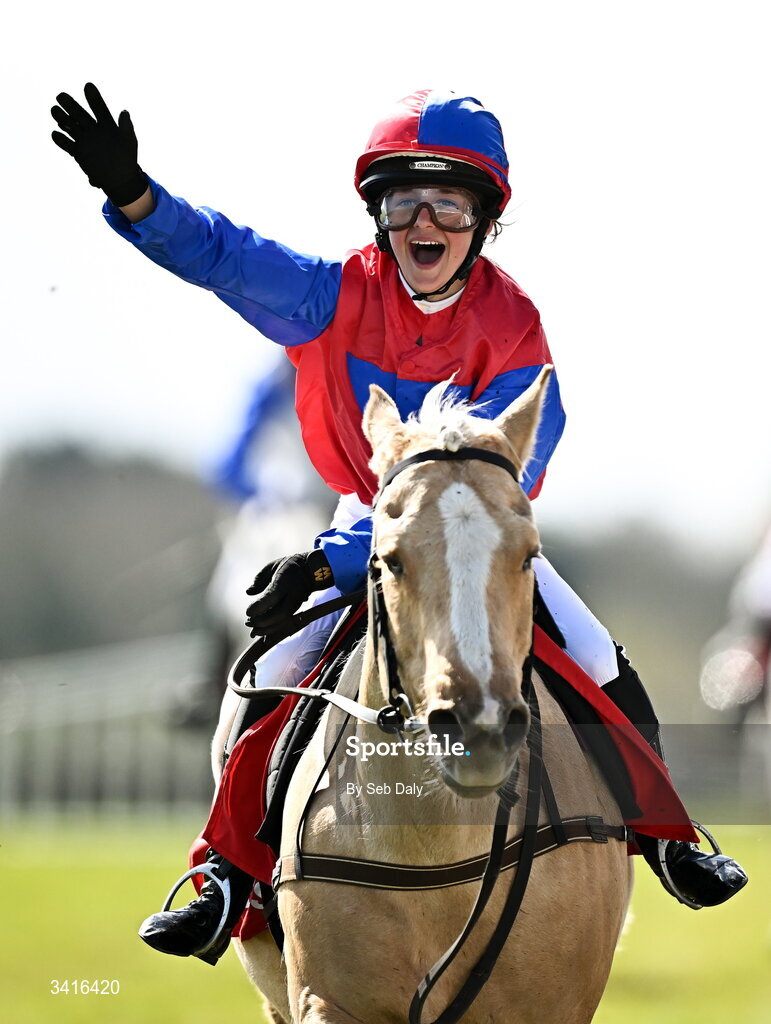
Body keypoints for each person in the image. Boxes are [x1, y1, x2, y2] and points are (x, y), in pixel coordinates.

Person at [51, 85, 747, 964]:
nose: (424, 220)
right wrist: (136, 197)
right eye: (402, 199)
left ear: (484, 219)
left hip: (480, 528)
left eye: (448, 201)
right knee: (269, 668)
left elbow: (490, 482)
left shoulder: (513, 322)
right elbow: (224, 256)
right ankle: (225, 871)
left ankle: (669, 835)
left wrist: (329, 564)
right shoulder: (329, 294)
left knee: (600, 659)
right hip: (362, 510)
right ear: (378, 215)